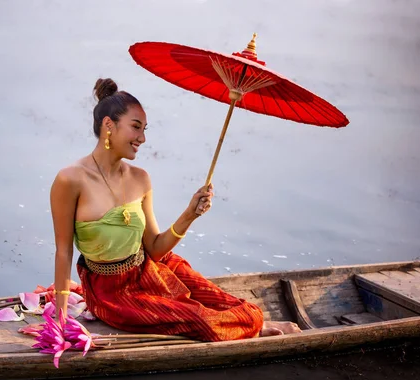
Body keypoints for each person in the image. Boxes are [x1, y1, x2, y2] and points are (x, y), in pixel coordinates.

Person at [49, 78, 301, 340]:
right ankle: (253, 327)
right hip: (113, 295)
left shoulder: (140, 178)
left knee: (227, 303)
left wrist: (189, 214)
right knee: (203, 321)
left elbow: (156, 249)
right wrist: (60, 319)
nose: (142, 138)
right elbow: (64, 251)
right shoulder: (70, 180)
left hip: (152, 269)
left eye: (145, 129)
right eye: (136, 127)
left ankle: (250, 323)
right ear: (108, 125)